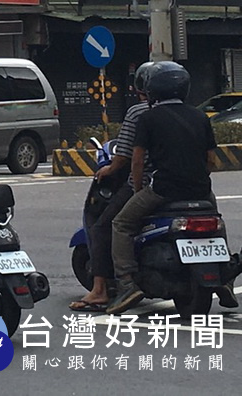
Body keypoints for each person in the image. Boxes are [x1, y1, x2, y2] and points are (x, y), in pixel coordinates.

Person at [105, 61, 220, 314]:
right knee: (215, 221)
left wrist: (137, 190)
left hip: (164, 189)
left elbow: (136, 160)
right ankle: (225, 276)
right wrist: (197, 178)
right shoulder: (200, 116)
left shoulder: (148, 118)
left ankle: (126, 283)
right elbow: (211, 160)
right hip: (201, 189)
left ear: (153, 90)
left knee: (121, 224)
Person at [69, 62, 155, 312]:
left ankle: (103, 289)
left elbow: (129, 157)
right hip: (192, 187)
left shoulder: (140, 113)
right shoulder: (188, 112)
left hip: (151, 184)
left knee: (106, 225)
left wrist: (112, 171)